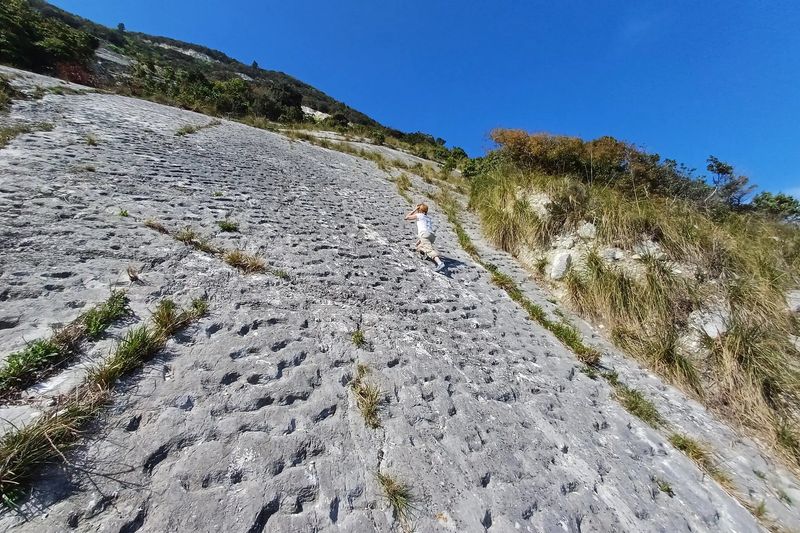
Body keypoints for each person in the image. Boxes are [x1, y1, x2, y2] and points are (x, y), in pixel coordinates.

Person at [404, 203, 445, 272]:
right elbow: (426, 230)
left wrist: (415, 209)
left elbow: (407, 217)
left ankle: (440, 263)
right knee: (419, 246)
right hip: (431, 235)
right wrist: (419, 241)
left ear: (420, 210)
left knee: (429, 249)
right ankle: (425, 255)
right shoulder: (428, 218)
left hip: (424, 234)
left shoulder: (419, 215)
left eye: (418, 209)